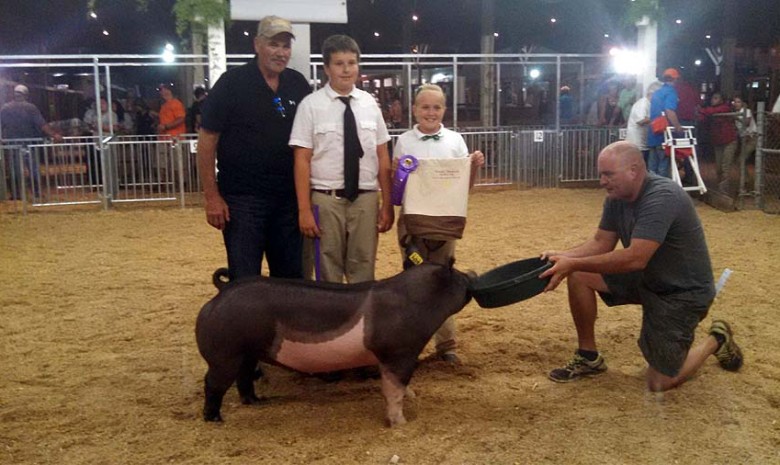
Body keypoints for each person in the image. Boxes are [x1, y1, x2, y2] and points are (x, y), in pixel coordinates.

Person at [540, 141, 743, 392]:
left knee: (659, 382)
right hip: (647, 278)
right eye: (601, 174)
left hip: (681, 293)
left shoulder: (661, 197)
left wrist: (572, 262)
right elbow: (600, 242)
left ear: (634, 170)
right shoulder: (617, 196)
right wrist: (563, 258)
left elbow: (636, 257)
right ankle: (588, 356)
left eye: (608, 174)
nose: (602, 181)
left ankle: (716, 340)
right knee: (579, 273)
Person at [197, 15, 311, 280]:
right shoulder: (231, 83)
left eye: (285, 46)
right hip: (242, 201)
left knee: (291, 279)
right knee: (245, 278)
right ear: (257, 44)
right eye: (274, 44)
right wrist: (212, 197)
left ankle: (284, 324)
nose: (281, 52)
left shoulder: (298, 84)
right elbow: (207, 141)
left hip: (288, 201)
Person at [290, 34, 394, 285]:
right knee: (327, 271)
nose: (346, 69)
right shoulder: (310, 106)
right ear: (326, 68)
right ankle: (331, 324)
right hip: (326, 201)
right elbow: (302, 160)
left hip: (366, 199)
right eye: (339, 63)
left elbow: (382, 154)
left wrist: (387, 203)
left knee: (364, 268)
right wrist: (304, 210)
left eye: (351, 62)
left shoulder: (370, 104)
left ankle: (359, 322)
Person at [392, 84, 485, 364]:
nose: (430, 112)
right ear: (415, 109)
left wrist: (475, 167)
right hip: (412, 223)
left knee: (441, 278)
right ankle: (411, 342)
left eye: (436, 107)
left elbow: (463, 187)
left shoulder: (456, 141)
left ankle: (446, 344)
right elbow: (398, 190)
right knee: (414, 274)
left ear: (444, 110)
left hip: (444, 223)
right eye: (425, 107)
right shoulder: (404, 141)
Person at [0, 84, 62, 199]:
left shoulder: (5, 108)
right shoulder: (31, 108)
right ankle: (37, 193)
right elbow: (42, 124)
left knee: (15, 170)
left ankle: (16, 194)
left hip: (12, 143)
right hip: (30, 143)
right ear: (26, 95)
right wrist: (54, 134)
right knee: (33, 168)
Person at [646, 68, 684, 177]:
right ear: (675, 79)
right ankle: (662, 191)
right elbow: (669, 110)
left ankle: (651, 191)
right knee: (663, 166)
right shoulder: (671, 92)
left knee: (652, 167)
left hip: (653, 133)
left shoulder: (657, 93)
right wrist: (678, 127)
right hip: (663, 134)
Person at [697, 92, 738, 190]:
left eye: (716, 98)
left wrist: (701, 110)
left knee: (725, 165)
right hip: (718, 141)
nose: (713, 100)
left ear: (721, 100)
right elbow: (702, 117)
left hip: (729, 140)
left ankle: (724, 188)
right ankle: (720, 185)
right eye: (712, 98)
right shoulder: (710, 111)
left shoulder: (725, 108)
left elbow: (710, 111)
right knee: (719, 166)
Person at [625, 81, 662, 164]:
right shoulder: (642, 104)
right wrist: (657, 119)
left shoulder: (649, 104)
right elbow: (640, 121)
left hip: (644, 143)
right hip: (637, 143)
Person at [732, 96, 757, 189]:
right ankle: (746, 180)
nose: (736, 104)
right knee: (741, 160)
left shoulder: (746, 111)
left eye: (738, 102)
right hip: (743, 139)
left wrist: (737, 118)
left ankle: (746, 181)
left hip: (751, 137)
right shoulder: (736, 113)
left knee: (741, 160)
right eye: (735, 102)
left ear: (742, 103)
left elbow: (747, 122)